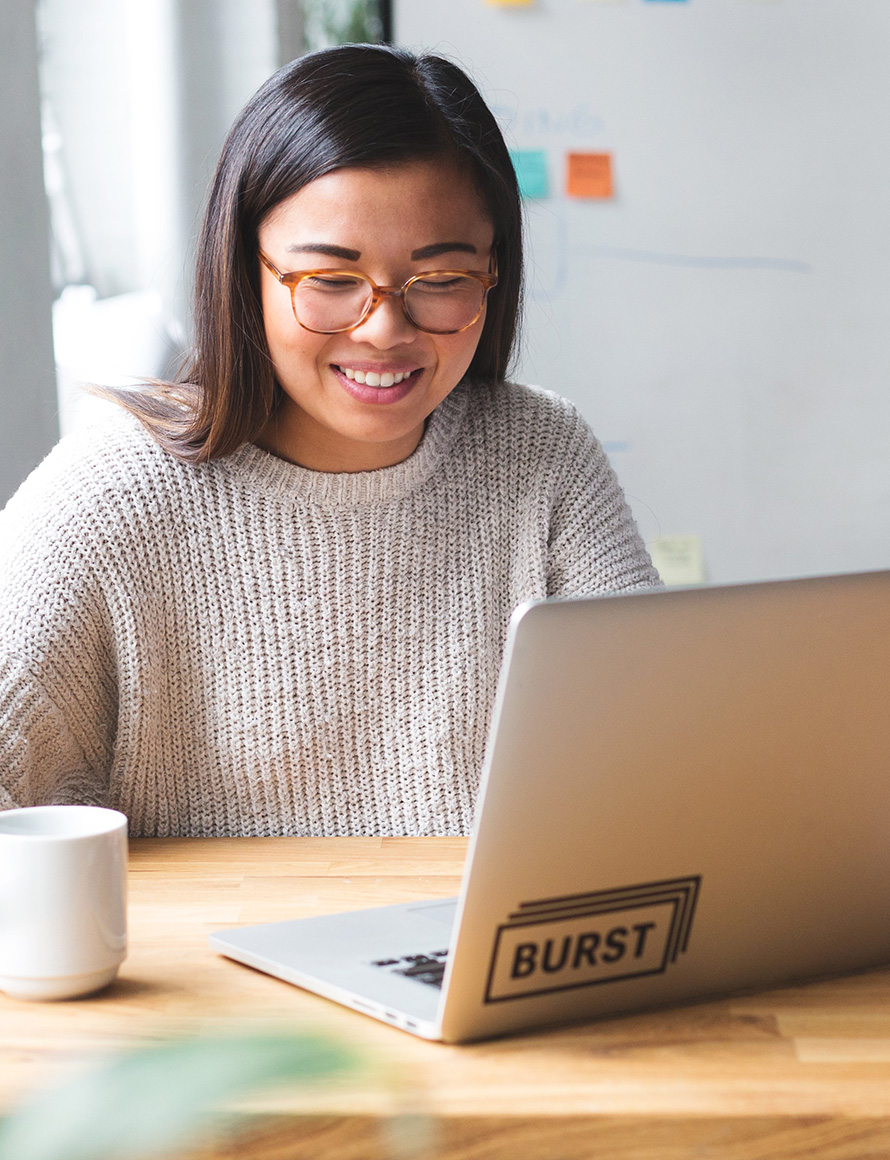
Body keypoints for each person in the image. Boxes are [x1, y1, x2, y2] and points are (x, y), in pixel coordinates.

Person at [0, 45, 660, 838]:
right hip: (199, 959)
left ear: (494, 274)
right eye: (331, 281)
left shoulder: (542, 456)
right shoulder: (112, 492)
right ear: (244, 271)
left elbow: (667, 754)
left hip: (475, 954)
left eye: (441, 281)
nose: (385, 328)